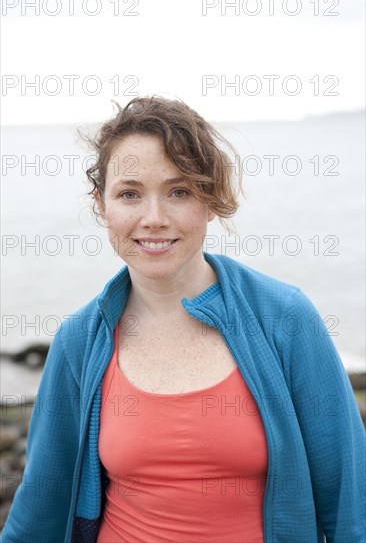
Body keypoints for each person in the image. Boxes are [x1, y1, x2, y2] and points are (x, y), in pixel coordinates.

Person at [1, 96, 365, 543]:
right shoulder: (81, 340)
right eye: (129, 193)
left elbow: (352, 506)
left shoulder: (285, 319)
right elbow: (40, 510)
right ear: (102, 205)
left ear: (210, 199)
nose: (154, 219)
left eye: (180, 191)